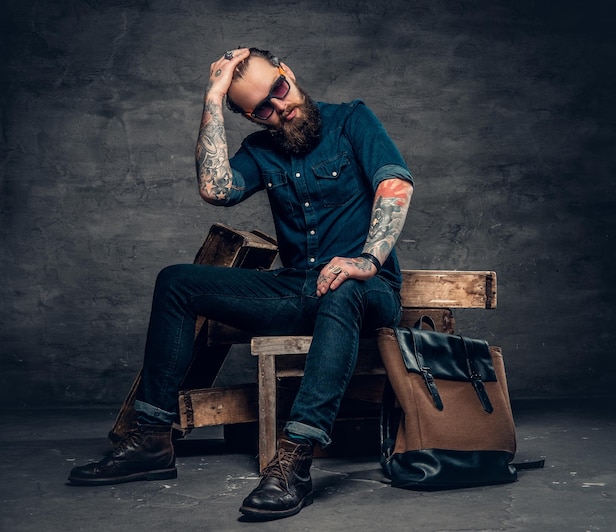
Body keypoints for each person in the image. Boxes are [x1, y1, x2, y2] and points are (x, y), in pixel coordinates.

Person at [68, 47, 414, 520]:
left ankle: (294, 460)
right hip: (295, 288)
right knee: (176, 283)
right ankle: (151, 439)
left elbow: (395, 183)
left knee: (343, 288)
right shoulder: (260, 150)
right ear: (250, 116)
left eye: (279, 89)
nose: (280, 107)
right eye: (262, 108)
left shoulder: (352, 119)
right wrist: (213, 96)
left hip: (367, 288)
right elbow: (216, 189)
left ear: (287, 71)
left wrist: (368, 260)